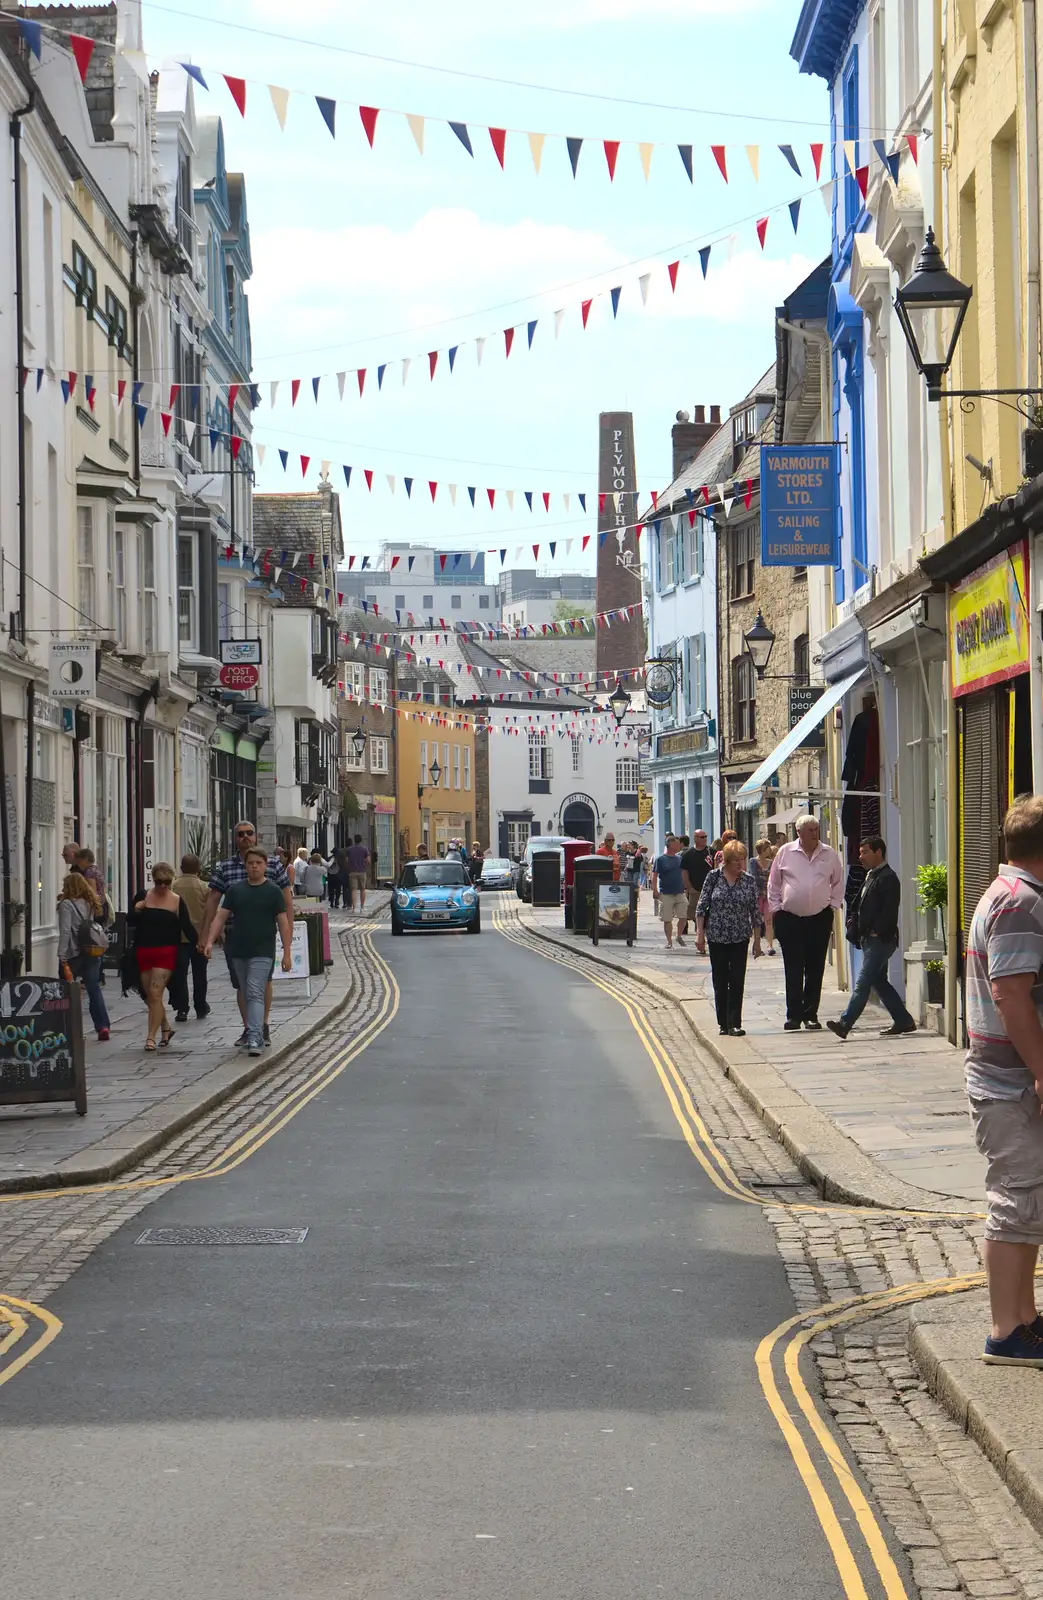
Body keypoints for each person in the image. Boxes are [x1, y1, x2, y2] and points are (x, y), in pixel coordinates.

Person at [964, 796, 1043, 1366]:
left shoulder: (1006, 895)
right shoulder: (1020, 905)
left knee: (1027, 1198)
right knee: (1015, 1200)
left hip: (1005, 1077)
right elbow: (1012, 996)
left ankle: (1025, 1318)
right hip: (1010, 1080)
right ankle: (1005, 1331)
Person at [200, 821, 294, 1048]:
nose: (245, 837)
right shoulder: (226, 868)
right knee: (242, 986)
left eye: (249, 833)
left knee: (261, 983)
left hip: (264, 936)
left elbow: (286, 902)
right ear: (235, 838)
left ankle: (261, 1026)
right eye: (240, 834)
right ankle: (249, 1028)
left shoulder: (272, 865)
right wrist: (205, 936)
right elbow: (214, 902)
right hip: (236, 935)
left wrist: (288, 940)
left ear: (256, 836)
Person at [827, 836, 915, 1041]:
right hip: (870, 939)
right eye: (860, 852)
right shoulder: (871, 875)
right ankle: (904, 1020)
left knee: (862, 983)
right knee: (878, 981)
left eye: (865, 851)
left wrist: (876, 931)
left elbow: (889, 911)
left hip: (880, 940)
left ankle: (844, 1023)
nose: (861, 856)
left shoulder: (888, 877)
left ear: (879, 852)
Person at [767, 815, 844, 1030]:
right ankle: (794, 1016)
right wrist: (777, 910)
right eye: (810, 829)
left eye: (816, 829)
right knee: (792, 968)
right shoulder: (785, 852)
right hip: (790, 918)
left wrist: (832, 907)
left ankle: (811, 1014)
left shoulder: (829, 854)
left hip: (819, 918)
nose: (814, 833)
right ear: (798, 832)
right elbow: (773, 883)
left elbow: (838, 882)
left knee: (815, 967)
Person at [694, 840, 761, 1035]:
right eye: (736, 860)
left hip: (740, 936)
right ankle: (723, 1023)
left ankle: (735, 1023)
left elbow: (755, 912)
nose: (740, 864)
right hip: (717, 936)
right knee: (720, 980)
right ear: (726, 861)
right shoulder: (713, 877)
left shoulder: (748, 880)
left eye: (742, 859)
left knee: (737, 979)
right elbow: (702, 906)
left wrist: (757, 941)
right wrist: (700, 934)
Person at [130, 862, 197, 1050]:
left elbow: (187, 927)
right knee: (151, 997)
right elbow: (130, 921)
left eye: (167, 882)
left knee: (155, 992)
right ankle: (166, 1028)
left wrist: (201, 945)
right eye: (159, 882)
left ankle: (150, 1037)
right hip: (144, 951)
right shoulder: (143, 896)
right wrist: (137, 910)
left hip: (166, 952)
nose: (163, 887)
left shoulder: (176, 900)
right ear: (153, 879)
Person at [57, 870, 111, 1041]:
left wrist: (61, 954)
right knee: (93, 988)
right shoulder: (90, 903)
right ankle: (102, 1026)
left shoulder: (66, 905)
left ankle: (69, 1028)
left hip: (73, 953)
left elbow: (66, 931)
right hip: (91, 951)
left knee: (67, 991)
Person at [170, 854, 211, 1022]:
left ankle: (182, 1009)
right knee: (199, 974)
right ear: (199, 869)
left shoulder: (173, 886)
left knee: (180, 974)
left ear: (181, 867)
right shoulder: (204, 887)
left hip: (178, 937)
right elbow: (210, 912)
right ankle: (200, 1006)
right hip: (199, 937)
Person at [650, 835, 687, 950]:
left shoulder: (680, 859)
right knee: (667, 919)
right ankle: (669, 941)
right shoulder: (660, 859)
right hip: (666, 893)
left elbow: (683, 873)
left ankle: (679, 935)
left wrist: (686, 885)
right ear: (670, 845)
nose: (679, 845)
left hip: (680, 892)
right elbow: (654, 875)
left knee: (683, 915)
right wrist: (654, 889)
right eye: (676, 843)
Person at [681, 829, 713, 942]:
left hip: (710, 890)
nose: (704, 839)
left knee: (708, 915)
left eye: (705, 836)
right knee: (695, 914)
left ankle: (703, 936)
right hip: (695, 889)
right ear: (695, 838)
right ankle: (699, 936)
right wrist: (690, 888)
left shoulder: (711, 852)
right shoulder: (688, 854)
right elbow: (684, 872)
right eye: (701, 837)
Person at [752, 839, 777, 956]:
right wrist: (766, 882)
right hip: (757, 895)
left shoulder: (771, 863)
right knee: (756, 921)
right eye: (767, 848)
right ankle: (756, 945)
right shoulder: (753, 862)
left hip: (768, 895)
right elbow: (754, 877)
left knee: (769, 920)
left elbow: (774, 877)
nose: (769, 850)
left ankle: (770, 946)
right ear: (762, 850)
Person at [345, 833, 371, 911]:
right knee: (362, 889)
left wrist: (350, 865)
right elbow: (369, 860)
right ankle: (362, 907)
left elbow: (346, 860)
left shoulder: (349, 849)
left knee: (354, 890)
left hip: (352, 871)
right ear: (361, 840)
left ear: (354, 840)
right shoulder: (364, 849)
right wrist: (364, 863)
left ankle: (353, 908)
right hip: (362, 871)